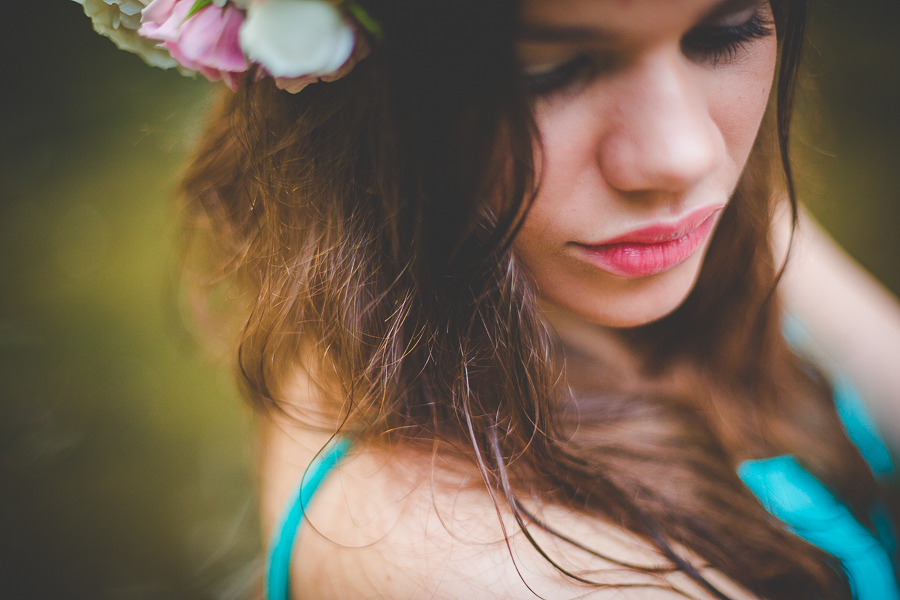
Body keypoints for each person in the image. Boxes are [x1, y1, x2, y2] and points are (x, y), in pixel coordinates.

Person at [75, 0, 900, 598]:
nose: (682, 157)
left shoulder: (683, 210)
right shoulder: (488, 572)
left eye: (723, 35)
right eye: (551, 70)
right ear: (357, 90)